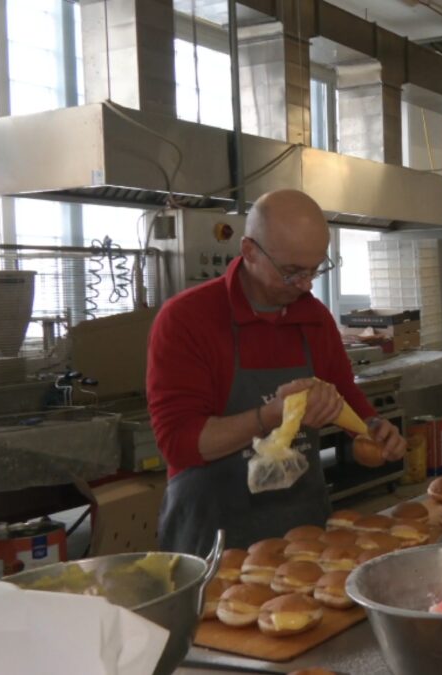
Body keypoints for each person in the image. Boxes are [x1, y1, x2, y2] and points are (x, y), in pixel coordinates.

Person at [148, 189, 406, 557]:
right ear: (250, 251)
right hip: (213, 536)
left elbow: (347, 398)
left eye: (315, 269)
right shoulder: (188, 320)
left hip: (301, 530)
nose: (306, 284)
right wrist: (271, 415)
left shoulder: (313, 319)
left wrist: (375, 432)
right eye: (291, 272)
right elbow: (180, 443)